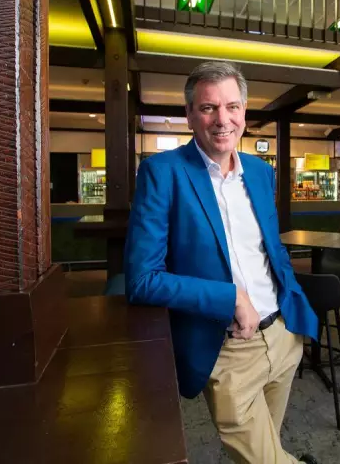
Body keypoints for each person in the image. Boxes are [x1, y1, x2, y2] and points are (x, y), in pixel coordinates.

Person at [125, 61, 320, 464]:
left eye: (232, 106)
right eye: (208, 107)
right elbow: (142, 279)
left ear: (244, 112)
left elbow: (272, 250)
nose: (222, 119)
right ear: (189, 115)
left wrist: (293, 312)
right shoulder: (163, 172)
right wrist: (229, 297)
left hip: (283, 338)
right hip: (229, 351)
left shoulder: (261, 172)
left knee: (263, 452)